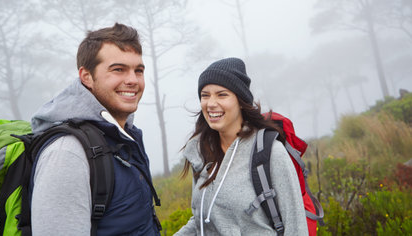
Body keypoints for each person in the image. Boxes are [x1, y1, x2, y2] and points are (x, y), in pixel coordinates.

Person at [30, 23, 161, 236]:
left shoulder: (125, 136)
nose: (132, 80)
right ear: (86, 77)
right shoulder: (67, 153)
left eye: (138, 70)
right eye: (118, 69)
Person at [175, 57, 308, 236]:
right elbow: (202, 220)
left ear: (241, 101)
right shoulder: (201, 153)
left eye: (222, 94)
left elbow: (296, 227)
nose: (211, 103)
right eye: (205, 95)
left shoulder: (270, 153)